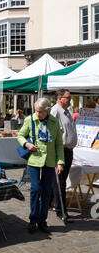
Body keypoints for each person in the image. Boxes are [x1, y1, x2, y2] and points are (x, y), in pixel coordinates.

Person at [17, 97, 64, 234]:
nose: (38, 114)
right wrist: (27, 144)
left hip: (49, 161)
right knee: (36, 189)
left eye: (41, 112)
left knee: (46, 191)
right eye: (36, 111)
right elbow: (20, 135)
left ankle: (42, 220)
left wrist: (60, 162)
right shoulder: (30, 119)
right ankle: (33, 219)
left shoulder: (54, 122)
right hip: (34, 160)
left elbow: (59, 145)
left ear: (48, 111)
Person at [50, 89, 77, 223]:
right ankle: (61, 211)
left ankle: (49, 202)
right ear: (60, 98)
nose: (70, 99)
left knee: (58, 181)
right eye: (68, 97)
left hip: (68, 150)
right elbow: (52, 133)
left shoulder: (67, 111)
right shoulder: (55, 111)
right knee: (60, 182)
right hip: (60, 151)